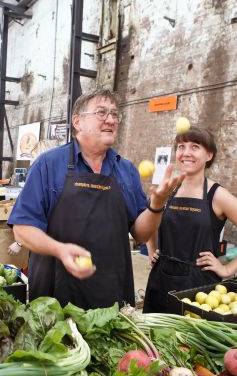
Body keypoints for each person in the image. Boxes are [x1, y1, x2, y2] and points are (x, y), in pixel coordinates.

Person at [9, 88, 183, 309]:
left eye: (114, 114)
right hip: (54, 293)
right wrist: (60, 250)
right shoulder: (48, 164)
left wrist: (157, 205)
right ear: (77, 121)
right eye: (101, 113)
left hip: (111, 292)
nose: (110, 120)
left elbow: (140, 233)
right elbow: (22, 229)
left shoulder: (126, 170)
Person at [143, 127, 237, 313]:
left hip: (199, 288)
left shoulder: (217, 195)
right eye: (181, 146)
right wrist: (152, 250)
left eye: (195, 147)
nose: (186, 152)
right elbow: (151, 219)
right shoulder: (167, 189)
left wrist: (227, 269)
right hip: (161, 279)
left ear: (209, 155)